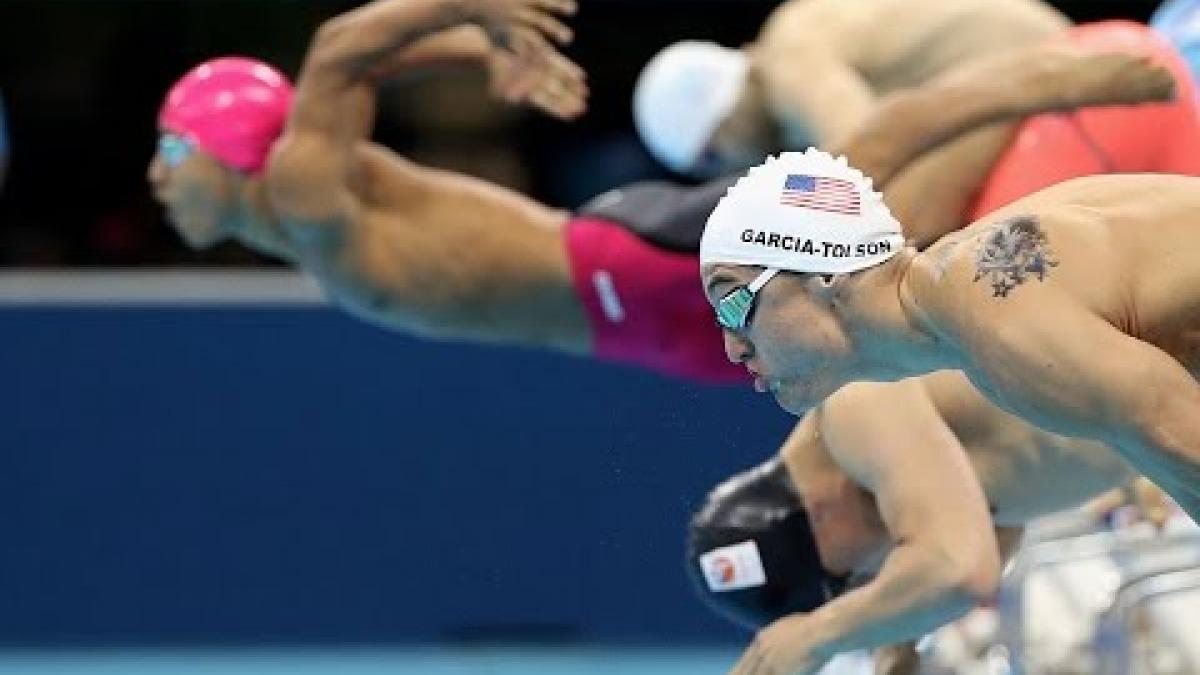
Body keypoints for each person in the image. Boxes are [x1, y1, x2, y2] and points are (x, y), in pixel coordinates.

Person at [148, 0, 1173, 383]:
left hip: (615, 273)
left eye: (172, 151)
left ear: (234, 149)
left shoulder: (308, 196)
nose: (156, 178)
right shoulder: (316, 194)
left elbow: (337, 51)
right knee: (885, 334)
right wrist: (476, 44)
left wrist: (470, 12)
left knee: (844, 208)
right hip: (634, 327)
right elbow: (359, 71)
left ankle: (1029, 87)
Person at [698, 24, 1200, 543]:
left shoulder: (991, 308)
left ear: (826, 271)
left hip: (1111, 82)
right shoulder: (977, 327)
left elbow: (1176, 426)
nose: (732, 349)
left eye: (733, 303)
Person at [688, 370, 1143, 674]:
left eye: (844, 582)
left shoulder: (856, 401)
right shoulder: (903, 461)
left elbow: (961, 572)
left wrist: (816, 635)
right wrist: (901, 631)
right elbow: (990, 526)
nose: (868, 581)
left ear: (816, 516)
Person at [632, 0, 1069, 176]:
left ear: (723, 115)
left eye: (713, 157)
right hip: (1037, 81)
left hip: (1056, 76)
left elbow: (873, 163)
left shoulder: (790, 56)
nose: (730, 173)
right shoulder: (791, 48)